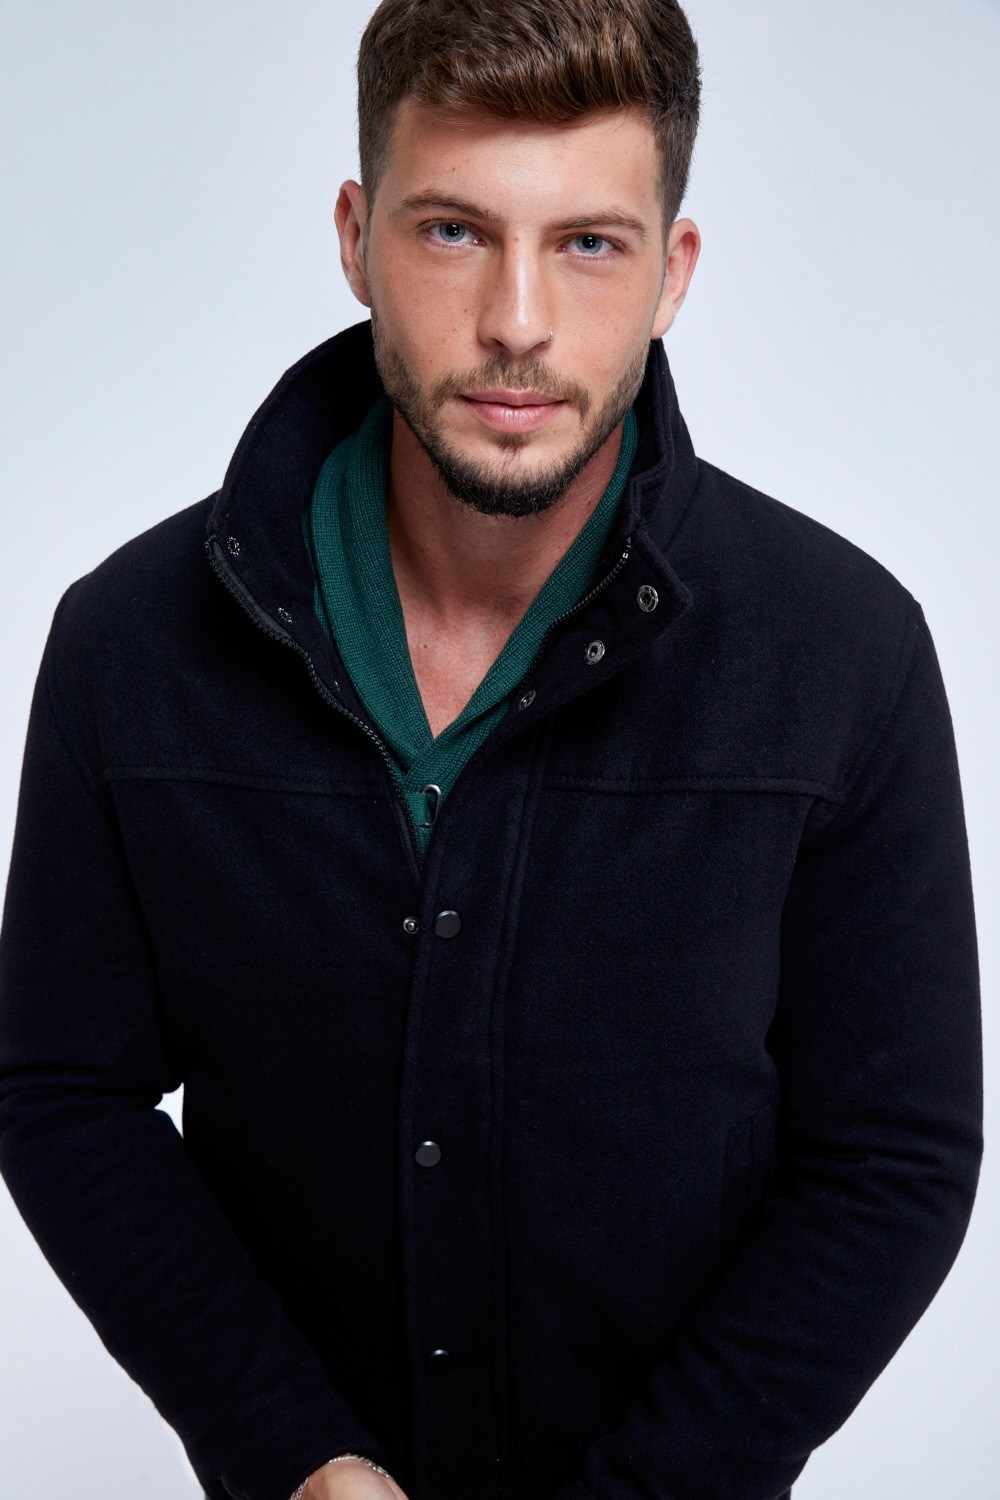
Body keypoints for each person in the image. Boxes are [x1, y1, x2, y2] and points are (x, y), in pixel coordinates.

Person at [0, 0, 983, 1497]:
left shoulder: (846, 652)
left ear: (673, 272)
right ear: (356, 238)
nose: (517, 319)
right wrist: (291, 1455)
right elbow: (62, 1092)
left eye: (588, 243)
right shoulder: (127, 644)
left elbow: (894, 1157)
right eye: (454, 231)